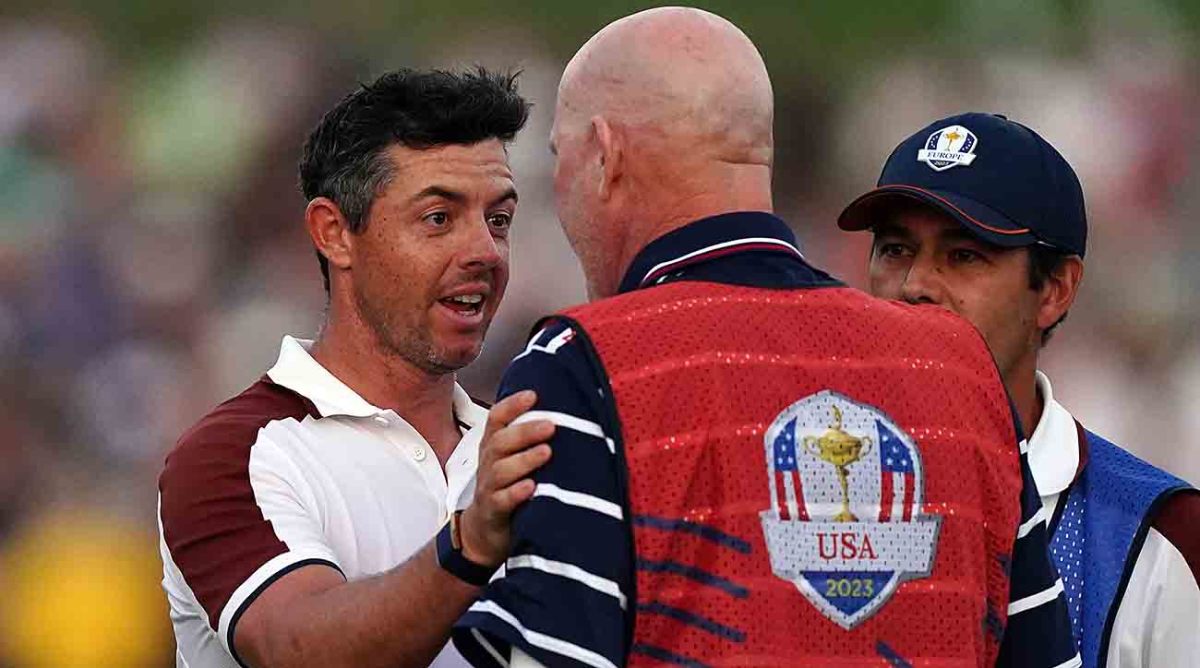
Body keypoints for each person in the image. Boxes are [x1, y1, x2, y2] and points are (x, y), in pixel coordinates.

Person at [451, 8, 1078, 668]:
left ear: (605, 155)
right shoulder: (963, 374)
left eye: (560, 154)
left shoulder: (581, 365)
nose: (557, 184)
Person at [156, 68, 556, 668]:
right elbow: (297, 647)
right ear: (334, 233)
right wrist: (470, 542)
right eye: (439, 218)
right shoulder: (233, 454)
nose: (485, 252)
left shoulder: (520, 445)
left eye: (498, 219)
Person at [837, 111, 1200, 668]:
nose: (914, 286)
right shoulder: (796, 492)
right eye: (894, 250)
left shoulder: (1157, 537)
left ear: (1055, 289)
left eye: (963, 256)